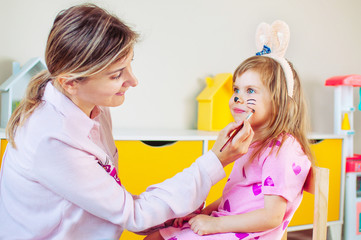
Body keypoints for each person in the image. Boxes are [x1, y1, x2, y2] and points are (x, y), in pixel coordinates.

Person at [0, 4, 254, 239]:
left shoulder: (91, 106)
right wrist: (216, 161)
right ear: (71, 82)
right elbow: (134, 214)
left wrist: (169, 216)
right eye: (116, 75)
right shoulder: (52, 140)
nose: (133, 81)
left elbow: (115, 200)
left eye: (129, 64)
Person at [146, 21, 313, 240]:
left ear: (282, 104)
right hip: (227, 222)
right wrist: (201, 213)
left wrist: (214, 224)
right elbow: (233, 196)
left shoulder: (283, 150)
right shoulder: (250, 142)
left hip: (249, 234)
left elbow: (272, 217)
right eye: (236, 89)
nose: (238, 98)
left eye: (250, 90)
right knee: (157, 236)